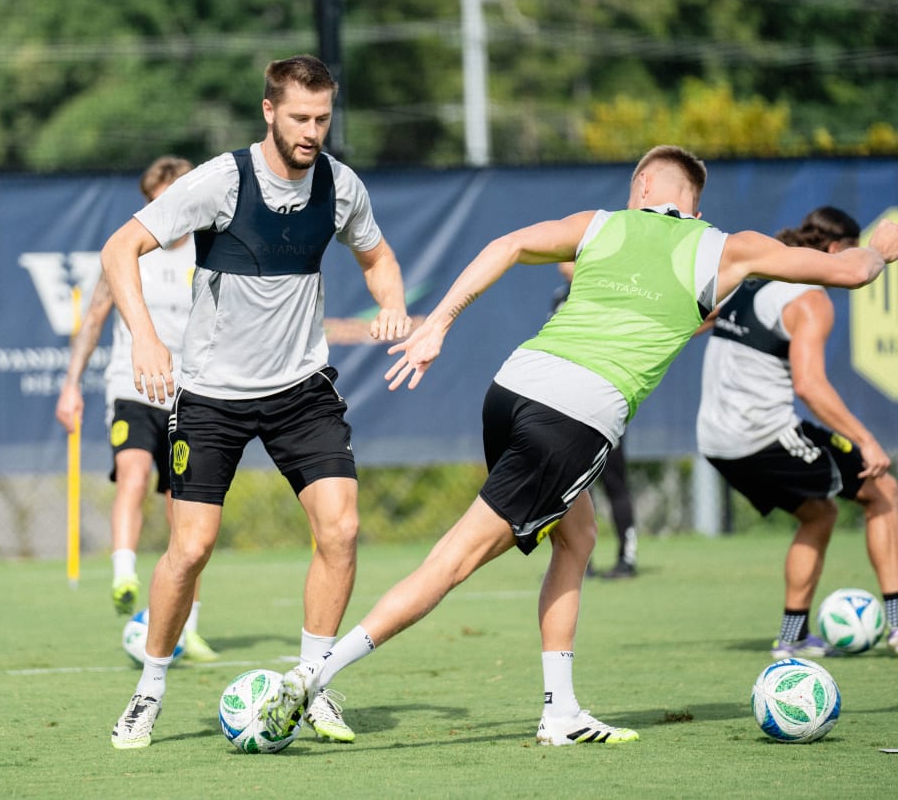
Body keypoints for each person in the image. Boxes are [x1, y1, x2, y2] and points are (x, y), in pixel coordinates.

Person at [259, 145, 898, 748]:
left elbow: (507, 244)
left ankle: (561, 712)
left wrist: (439, 324)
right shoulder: (729, 246)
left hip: (511, 389)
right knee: (452, 561)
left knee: (578, 537)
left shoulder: (601, 224)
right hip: (574, 417)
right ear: (695, 203)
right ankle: (313, 676)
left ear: (642, 187)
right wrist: (881, 249)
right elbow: (850, 270)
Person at [101, 54, 411, 749]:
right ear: (269, 111)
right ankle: (149, 689)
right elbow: (120, 249)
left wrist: (391, 301)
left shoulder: (340, 186)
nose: (312, 132)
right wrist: (145, 338)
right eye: (299, 117)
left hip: (302, 388)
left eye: (323, 118)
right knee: (191, 547)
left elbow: (379, 258)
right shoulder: (220, 181)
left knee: (341, 529)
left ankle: (311, 685)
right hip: (211, 395)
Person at [696, 206, 898, 658]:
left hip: (715, 441)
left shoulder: (753, 277)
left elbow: (696, 322)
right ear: (835, 250)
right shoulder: (809, 298)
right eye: (852, 256)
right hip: (761, 435)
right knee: (884, 490)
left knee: (819, 513)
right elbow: (810, 385)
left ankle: (792, 638)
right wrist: (865, 440)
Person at [54, 155, 218, 662]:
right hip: (132, 388)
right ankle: (124, 575)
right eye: (154, 201)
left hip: (189, 394)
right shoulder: (131, 252)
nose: (164, 211)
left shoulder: (212, 252)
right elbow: (93, 321)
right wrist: (70, 385)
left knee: (185, 516)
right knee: (133, 474)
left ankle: (189, 626)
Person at [552, 261, 638, 579]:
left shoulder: (606, 294)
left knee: (614, 481)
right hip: (568, 405)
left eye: (570, 258)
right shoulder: (560, 297)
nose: (562, 265)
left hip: (603, 401)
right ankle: (580, 560)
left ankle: (627, 557)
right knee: (575, 484)